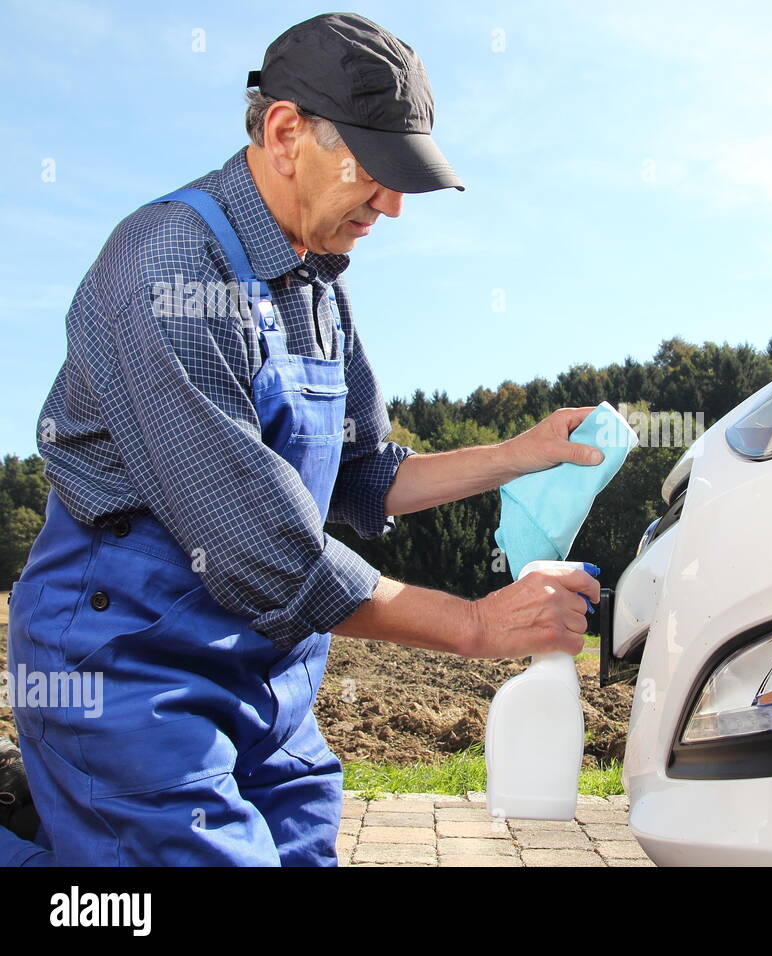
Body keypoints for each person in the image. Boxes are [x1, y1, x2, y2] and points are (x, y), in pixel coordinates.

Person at [0, 12, 602, 867]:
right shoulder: (169, 263)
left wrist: (519, 453)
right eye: (380, 172)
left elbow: (362, 475)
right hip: (130, 675)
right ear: (286, 132)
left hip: (271, 683)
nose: (392, 205)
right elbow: (262, 550)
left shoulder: (318, 288)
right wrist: (474, 624)